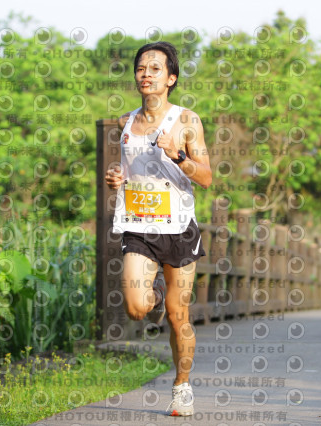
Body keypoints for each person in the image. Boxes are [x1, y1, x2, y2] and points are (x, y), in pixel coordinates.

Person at [104, 41, 212, 417]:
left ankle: (182, 386)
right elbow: (126, 168)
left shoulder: (187, 121)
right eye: (140, 68)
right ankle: (155, 294)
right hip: (138, 227)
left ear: (171, 78)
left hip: (179, 229)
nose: (145, 74)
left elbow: (207, 177)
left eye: (154, 69)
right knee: (136, 307)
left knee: (178, 316)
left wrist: (177, 155)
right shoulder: (125, 122)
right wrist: (116, 177)